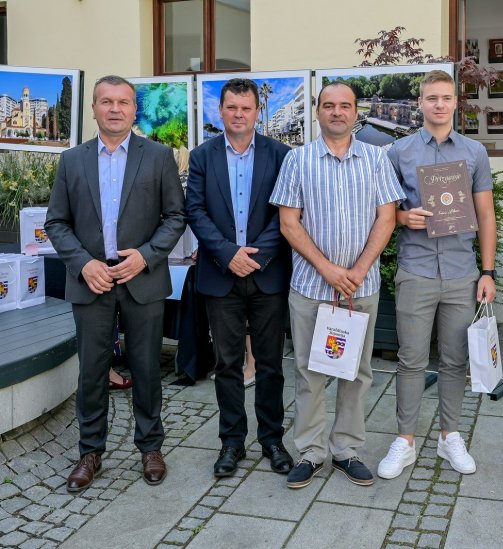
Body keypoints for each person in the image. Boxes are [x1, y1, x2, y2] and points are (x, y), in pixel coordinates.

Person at [45, 75, 185, 493]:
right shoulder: (72, 161)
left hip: (141, 278)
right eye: (106, 101)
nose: (115, 109)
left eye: (123, 101)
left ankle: (150, 447)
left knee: (145, 368)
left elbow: (176, 217)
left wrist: (146, 254)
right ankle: (90, 452)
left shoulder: (158, 157)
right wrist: (83, 264)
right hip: (92, 281)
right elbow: (56, 222)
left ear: (134, 110)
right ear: (93, 109)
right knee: (91, 371)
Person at [271, 81, 404, 489]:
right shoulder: (298, 159)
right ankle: (310, 451)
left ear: (355, 111)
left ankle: (346, 448)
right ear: (317, 111)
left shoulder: (377, 159)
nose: (337, 112)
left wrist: (360, 268)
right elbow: (288, 222)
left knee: (357, 373)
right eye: (328, 105)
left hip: (360, 290)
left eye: (345, 105)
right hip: (312, 287)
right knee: (310, 372)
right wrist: (329, 269)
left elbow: (387, 217)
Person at [377, 70, 496, 480]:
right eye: (431, 98)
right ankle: (405, 441)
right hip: (417, 269)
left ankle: (450, 436)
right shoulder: (399, 153)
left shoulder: (475, 153)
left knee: (454, 359)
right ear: (420, 104)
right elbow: (384, 212)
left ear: (455, 103)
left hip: (463, 272)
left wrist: (488, 271)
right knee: (410, 359)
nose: (439, 104)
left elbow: (485, 215)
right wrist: (402, 217)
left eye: (446, 98)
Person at [186, 78, 294, 478]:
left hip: (267, 276)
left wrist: (258, 257)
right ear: (221, 111)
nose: (238, 114)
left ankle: (272, 440)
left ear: (256, 112)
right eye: (231, 107)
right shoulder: (202, 156)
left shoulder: (281, 155)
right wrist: (228, 254)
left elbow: (285, 210)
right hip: (220, 274)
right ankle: (231, 442)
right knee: (228, 363)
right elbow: (195, 211)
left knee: (270, 364)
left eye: (246, 108)